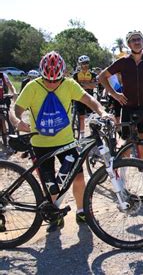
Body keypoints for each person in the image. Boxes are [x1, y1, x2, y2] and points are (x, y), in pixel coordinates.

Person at [14, 51, 110, 232]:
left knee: (78, 177)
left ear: (63, 74)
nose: (52, 84)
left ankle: (81, 211)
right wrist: (18, 121)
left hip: (66, 141)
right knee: (50, 184)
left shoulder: (69, 84)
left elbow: (89, 100)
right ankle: (55, 214)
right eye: (47, 80)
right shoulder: (32, 86)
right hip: (40, 143)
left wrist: (102, 112)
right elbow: (16, 109)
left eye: (56, 80)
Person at [98, 30, 143, 185]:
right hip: (128, 108)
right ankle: (121, 178)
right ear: (128, 44)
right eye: (133, 40)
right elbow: (102, 77)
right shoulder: (123, 62)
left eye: (139, 39)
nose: (137, 42)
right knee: (126, 145)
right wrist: (115, 94)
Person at [73, 55, 97, 139]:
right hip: (79, 98)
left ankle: (92, 134)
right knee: (81, 117)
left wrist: (82, 85)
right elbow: (75, 86)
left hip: (89, 98)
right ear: (80, 64)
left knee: (91, 117)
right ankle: (82, 136)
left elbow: (94, 85)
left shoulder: (92, 74)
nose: (85, 65)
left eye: (87, 63)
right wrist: (88, 85)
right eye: (83, 63)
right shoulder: (76, 75)